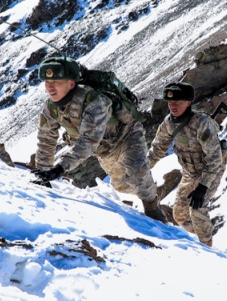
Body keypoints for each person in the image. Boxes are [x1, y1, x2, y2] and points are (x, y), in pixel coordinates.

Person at [33, 58, 167, 222]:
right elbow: (46, 137)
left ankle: (153, 206)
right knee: (120, 185)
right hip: (104, 150)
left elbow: (89, 140)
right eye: (47, 82)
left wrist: (60, 168)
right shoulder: (51, 107)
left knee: (137, 171)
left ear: (72, 84)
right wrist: (43, 172)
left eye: (56, 81)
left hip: (127, 136)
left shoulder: (95, 101)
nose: (50, 87)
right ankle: (151, 189)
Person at [146, 82, 225, 246]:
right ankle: (202, 235)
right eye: (170, 103)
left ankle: (208, 249)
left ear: (188, 103)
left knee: (198, 208)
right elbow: (157, 148)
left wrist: (203, 186)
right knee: (180, 215)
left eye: (177, 103)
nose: (172, 106)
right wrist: (143, 168)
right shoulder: (168, 123)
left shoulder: (202, 123)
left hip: (210, 170)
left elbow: (215, 158)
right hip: (189, 171)